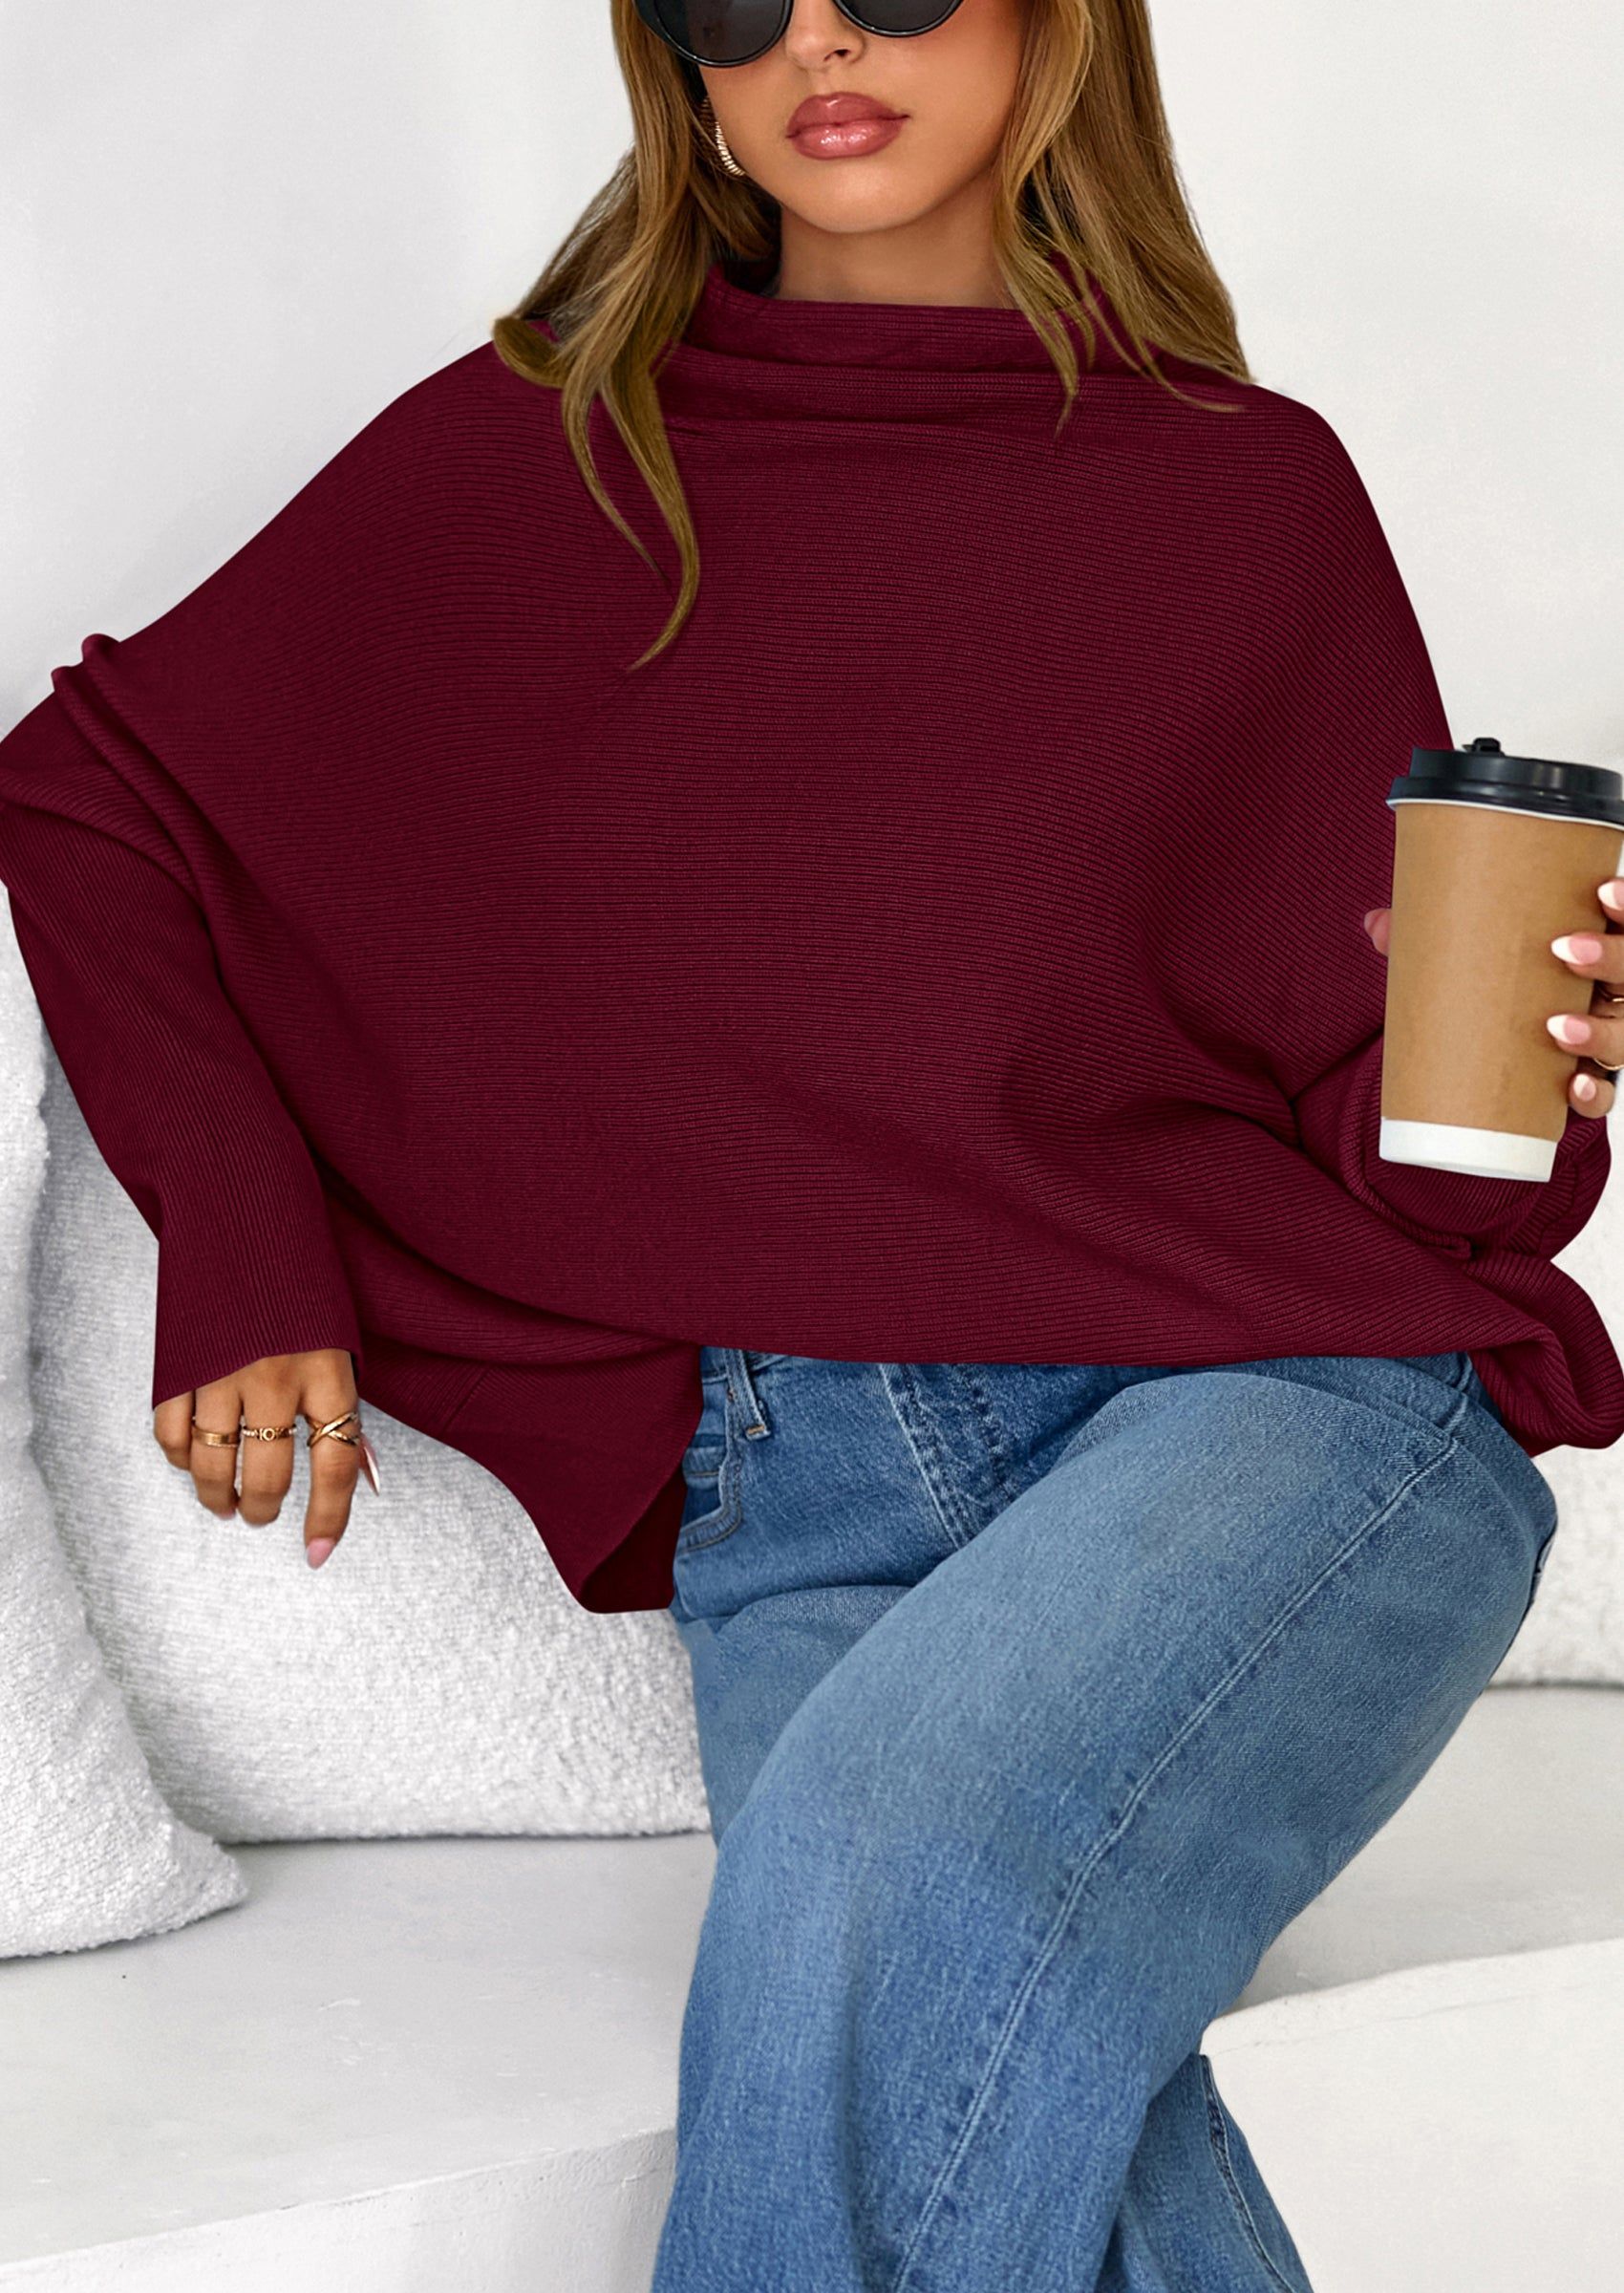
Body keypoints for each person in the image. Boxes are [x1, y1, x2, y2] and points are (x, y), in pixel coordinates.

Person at [3, 0, 1622, 2284]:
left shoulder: (1239, 494)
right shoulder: (535, 452)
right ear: (673, 63)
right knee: (967, 2066)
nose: (816, 38)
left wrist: (1536, 1051)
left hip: (1272, 1421)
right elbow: (87, 796)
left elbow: (1420, 1193)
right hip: (804, 1497)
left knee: (875, 1884)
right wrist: (243, 1244)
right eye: (731, 1)